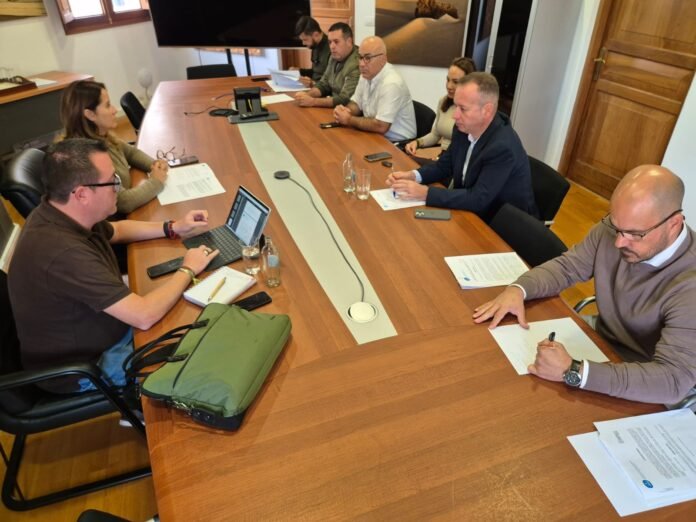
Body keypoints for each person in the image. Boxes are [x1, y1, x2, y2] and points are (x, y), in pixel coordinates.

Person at [8, 138, 219, 393]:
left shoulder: (62, 212)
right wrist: (188, 269)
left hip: (103, 329)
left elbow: (117, 230)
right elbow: (144, 315)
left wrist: (174, 227)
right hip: (89, 365)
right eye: (112, 182)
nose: (118, 188)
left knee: (195, 318)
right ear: (82, 194)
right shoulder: (63, 252)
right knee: (204, 352)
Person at [473, 165, 696, 405]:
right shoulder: (613, 230)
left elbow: (672, 380)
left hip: (645, 380)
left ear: (674, 224)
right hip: (601, 342)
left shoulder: (690, 283)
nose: (619, 242)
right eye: (616, 226)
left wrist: (575, 371)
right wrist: (519, 289)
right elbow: (567, 267)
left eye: (635, 234)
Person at [387, 72, 537, 222]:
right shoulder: (463, 129)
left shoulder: (502, 147)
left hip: (501, 224)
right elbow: (444, 166)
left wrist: (425, 193)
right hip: (470, 213)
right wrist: (414, 176)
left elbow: (478, 198)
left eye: (463, 109)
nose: (455, 115)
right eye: (456, 106)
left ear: (487, 110)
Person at [61, 79, 168, 215]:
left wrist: (154, 165)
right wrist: (156, 181)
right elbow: (123, 202)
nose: (115, 110)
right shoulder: (86, 158)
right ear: (90, 115)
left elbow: (131, 153)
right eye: (107, 105)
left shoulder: (102, 136)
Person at [333, 36, 416, 142]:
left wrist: (349, 119)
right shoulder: (366, 75)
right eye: (360, 57)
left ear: (383, 59)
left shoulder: (391, 83)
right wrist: (344, 112)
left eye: (367, 58)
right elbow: (356, 104)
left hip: (399, 143)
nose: (361, 64)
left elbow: (381, 126)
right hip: (375, 136)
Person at [404, 57, 476, 161]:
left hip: (456, 160)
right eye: (448, 80)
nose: (449, 86)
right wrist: (417, 142)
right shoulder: (444, 101)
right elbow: (435, 134)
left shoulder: (472, 110)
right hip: (443, 157)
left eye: (455, 82)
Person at [294, 22, 359, 108]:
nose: (332, 46)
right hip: (334, 106)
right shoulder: (334, 56)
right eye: (330, 42)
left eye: (336, 42)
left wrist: (312, 101)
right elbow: (324, 84)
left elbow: (345, 99)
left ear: (349, 41)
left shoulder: (357, 63)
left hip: (346, 110)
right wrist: (306, 95)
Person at [295, 15, 330, 88]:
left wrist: (313, 83)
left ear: (315, 34)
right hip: (314, 87)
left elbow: (332, 81)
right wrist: (299, 71)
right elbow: (315, 72)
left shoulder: (332, 48)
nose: (303, 43)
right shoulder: (314, 46)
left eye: (305, 40)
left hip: (323, 90)